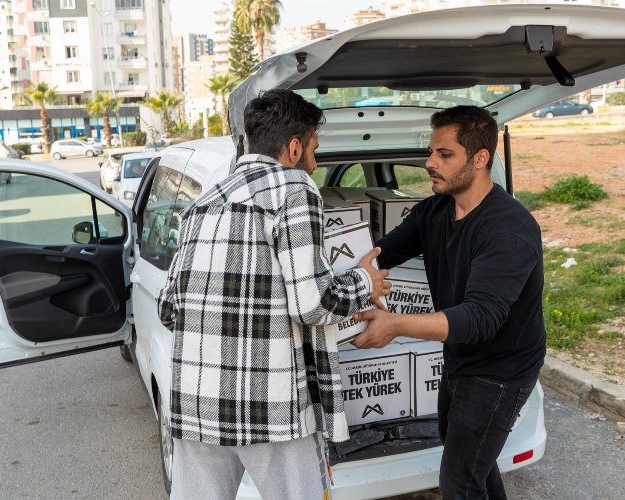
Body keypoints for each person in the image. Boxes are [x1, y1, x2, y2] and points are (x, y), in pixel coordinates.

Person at [158, 89, 390, 499]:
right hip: (271, 406)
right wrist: (364, 281)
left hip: (195, 402)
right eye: (314, 151)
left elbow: (168, 307)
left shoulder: (203, 202)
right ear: (294, 147)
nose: (315, 164)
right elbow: (314, 304)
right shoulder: (293, 187)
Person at [352, 106, 546, 499]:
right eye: (431, 153)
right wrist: (362, 275)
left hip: (501, 369)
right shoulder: (435, 211)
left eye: (444, 154)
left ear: (479, 159)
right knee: (472, 459)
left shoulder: (509, 229)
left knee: (459, 479)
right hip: (460, 357)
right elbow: (383, 251)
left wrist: (395, 324)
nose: (429, 163)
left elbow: (480, 318)